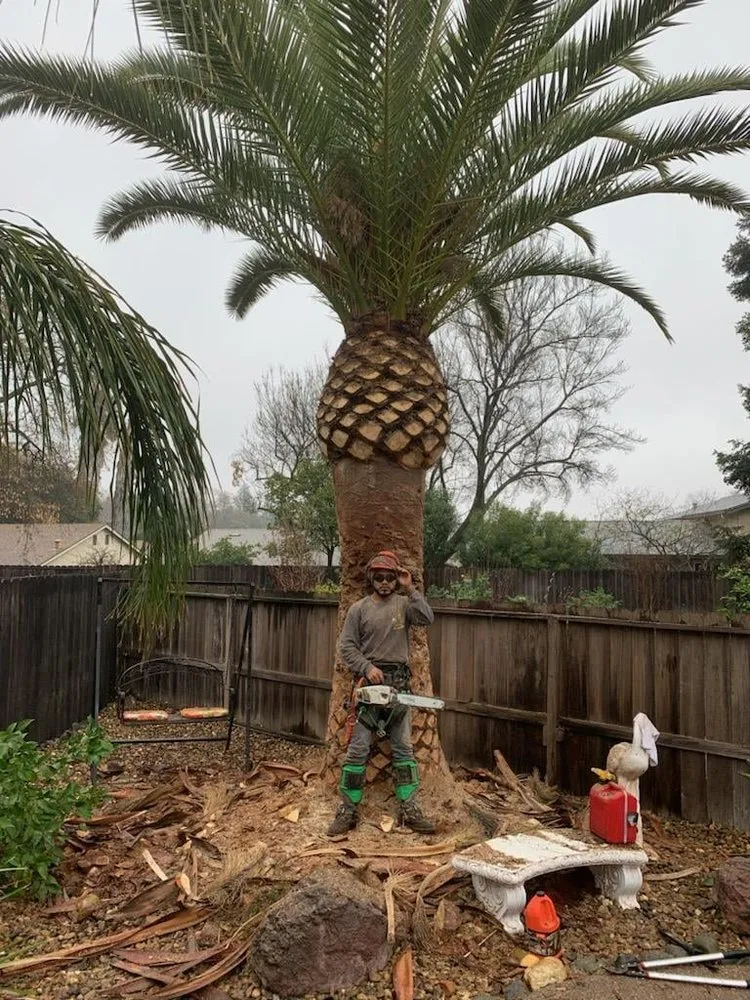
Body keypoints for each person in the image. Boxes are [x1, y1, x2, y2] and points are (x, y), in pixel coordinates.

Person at [327, 549, 437, 837]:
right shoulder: (359, 609)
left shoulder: (404, 605)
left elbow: (427, 617)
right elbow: (346, 647)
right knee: (358, 750)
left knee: (403, 748)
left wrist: (410, 587)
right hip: (369, 686)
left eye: (390, 577)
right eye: (380, 577)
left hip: (398, 684)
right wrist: (366, 667)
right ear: (372, 579)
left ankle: (409, 808)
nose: (386, 582)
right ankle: (348, 810)